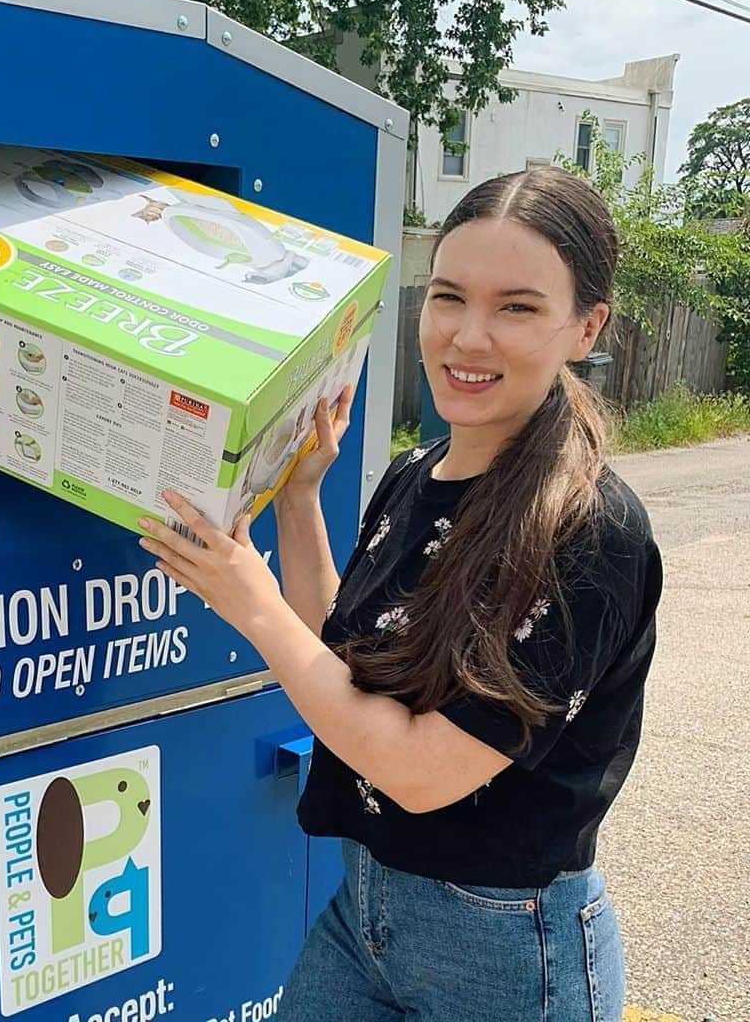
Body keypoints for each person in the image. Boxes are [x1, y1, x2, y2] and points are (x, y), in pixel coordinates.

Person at [136, 166, 663, 1022]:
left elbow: (419, 771)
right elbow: (340, 662)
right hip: (367, 910)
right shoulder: (418, 473)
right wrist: (301, 499)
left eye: (517, 307)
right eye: (449, 297)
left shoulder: (589, 531)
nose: (467, 336)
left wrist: (252, 607)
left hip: (505, 947)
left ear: (586, 326)